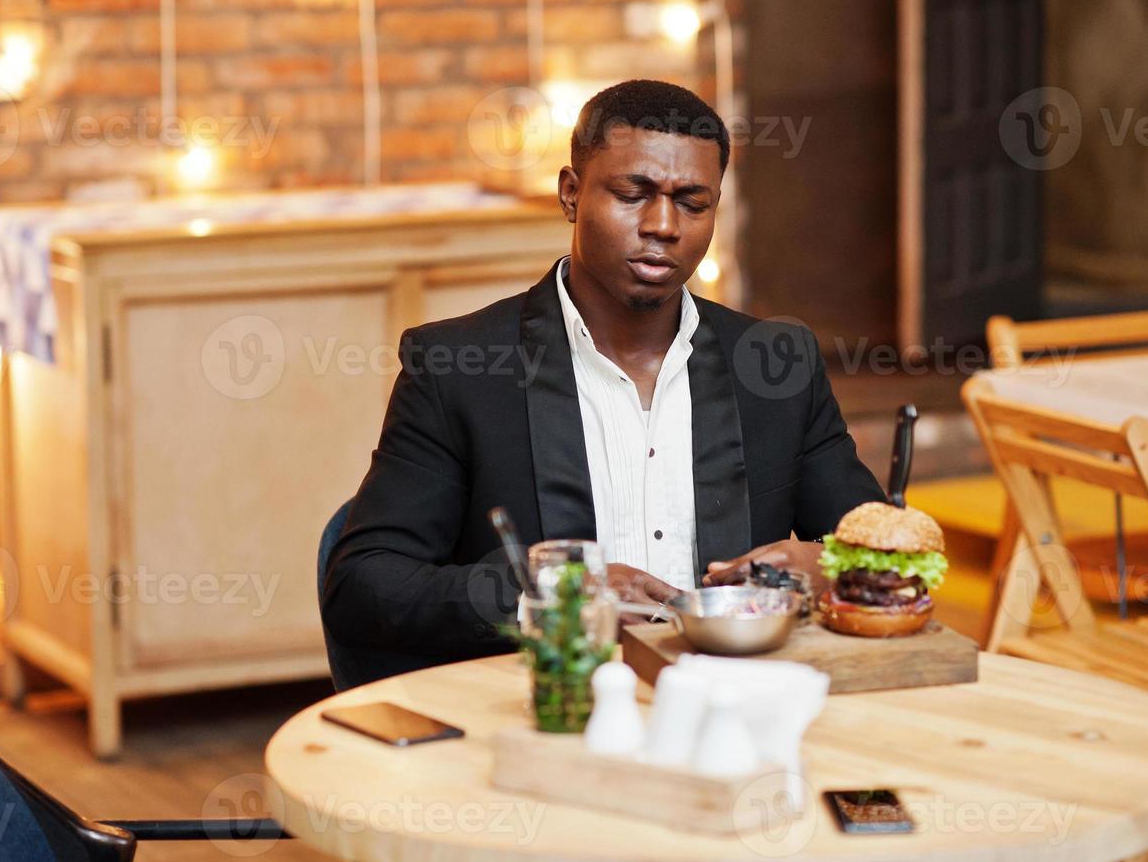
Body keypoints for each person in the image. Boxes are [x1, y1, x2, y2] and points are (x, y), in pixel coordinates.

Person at [322, 79, 884, 688]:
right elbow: (366, 583)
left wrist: (831, 564)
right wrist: (554, 594)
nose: (663, 225)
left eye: (692, 203)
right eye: (632, 194)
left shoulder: (776, 363)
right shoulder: (457, 365)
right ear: (570, 193)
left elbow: (886, 548)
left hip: (735, 707)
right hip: (547, 712)